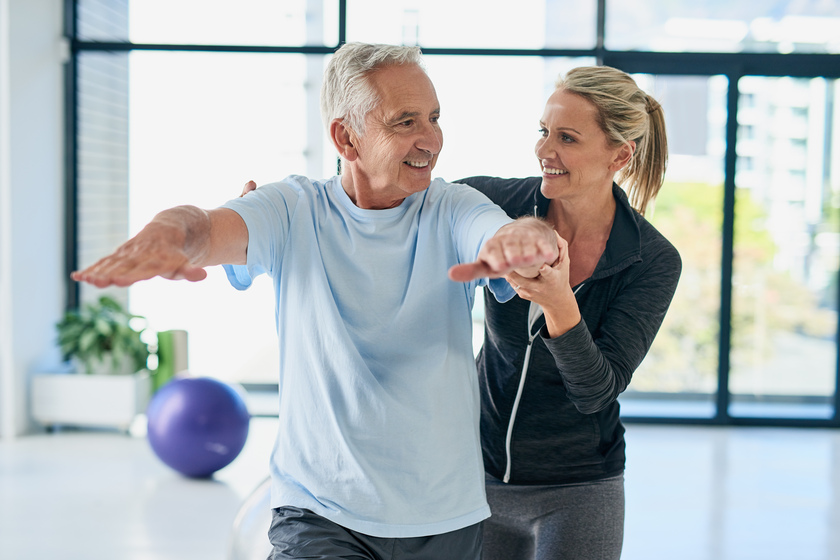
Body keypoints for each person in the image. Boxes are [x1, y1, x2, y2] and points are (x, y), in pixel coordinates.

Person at [71, 42, 559, 560]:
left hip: (444, 519)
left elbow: (505, 237)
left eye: (435, 118)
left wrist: (528, 241)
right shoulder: (293, 208)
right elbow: (208, 227)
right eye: (405, 122)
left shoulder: (453, 208)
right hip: (320, 513)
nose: (431, 139)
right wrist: (170, 231)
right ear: (346, 137)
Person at [455, 66, 682, 560]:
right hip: (476, 475)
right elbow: (392, 204)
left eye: (567, 138)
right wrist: (285, 209)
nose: (543, 150)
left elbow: (595, 390)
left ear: (619, 155)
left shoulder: (651, 260)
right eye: (543, 131)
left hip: (580, 489)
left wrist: (559, 302)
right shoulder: (496, 203)